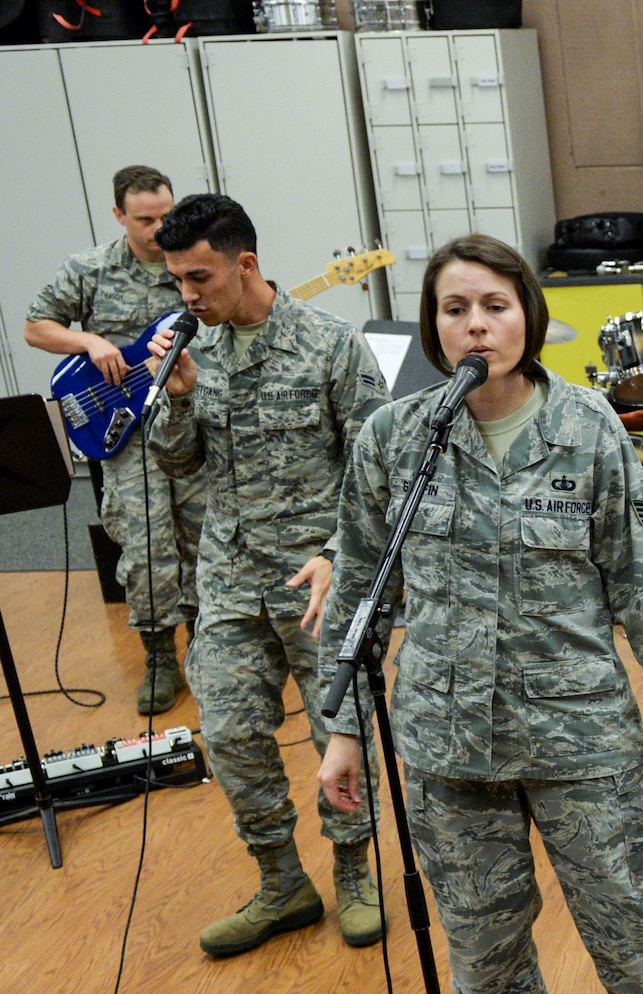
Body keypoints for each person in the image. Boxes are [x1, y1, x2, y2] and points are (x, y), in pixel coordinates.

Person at [316, 234, 643, 994]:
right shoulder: (394, 439)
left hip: (580, 743)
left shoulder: (588, 427)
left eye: (495, 307)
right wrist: (343, 735)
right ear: (432, 326)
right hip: (447, 749)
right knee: (485, 964)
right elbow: (360, 591)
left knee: (637, 942)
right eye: (455, 309)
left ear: (526, 318)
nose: (476, 326)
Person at [146, 193, 389, 956]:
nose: (187, 296)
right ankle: (281, 882)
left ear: (244, 264)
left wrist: (341, 556)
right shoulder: (194, 348)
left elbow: (377, 472)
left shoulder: (330, 346)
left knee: (338, 734)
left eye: (199, 278)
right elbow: (178, 461)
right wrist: (178, 402)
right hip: (228, 580)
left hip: (318, 580)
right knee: (228, 734)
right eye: (177, 281)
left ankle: (354, 870)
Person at [23, 165, 208, 714]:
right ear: (119, 216)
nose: (158, 228)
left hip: (187, 417)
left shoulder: (192, 265)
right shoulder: (92, 269)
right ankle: (159, 658)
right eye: (145, 219)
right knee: (147, 546)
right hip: (124, 432)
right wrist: (88, 341)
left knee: (202, 536)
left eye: (166, 216)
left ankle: (208, 647)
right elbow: (37, 326)